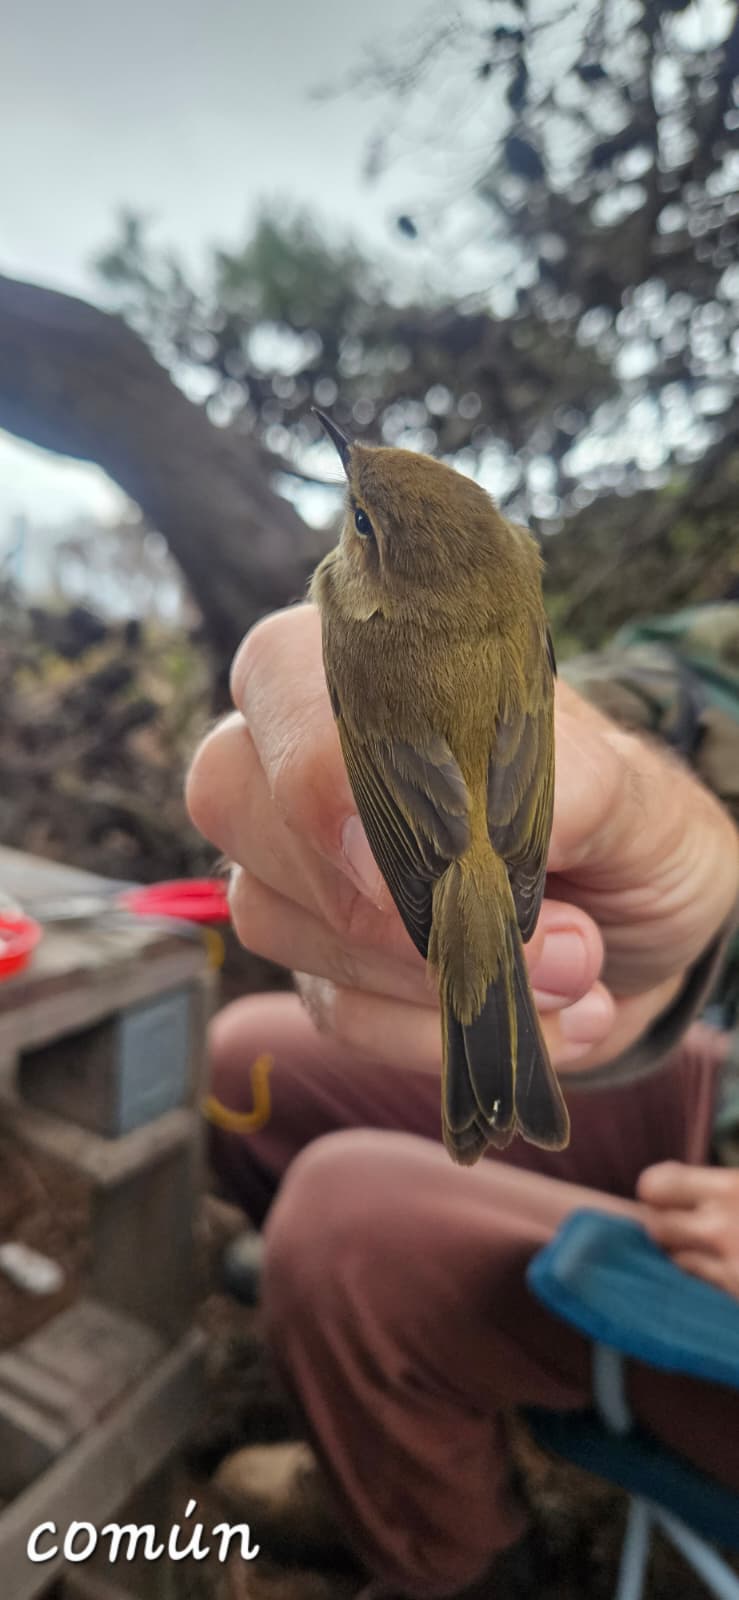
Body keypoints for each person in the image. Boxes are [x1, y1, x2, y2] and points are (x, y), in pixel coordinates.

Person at [186, 603, 739, 1599]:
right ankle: (382, 1403)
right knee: (249, 1060)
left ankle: (454, 1558)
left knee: (349, 1220)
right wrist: (590, 775)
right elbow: (652, 693)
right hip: (711, 1081)